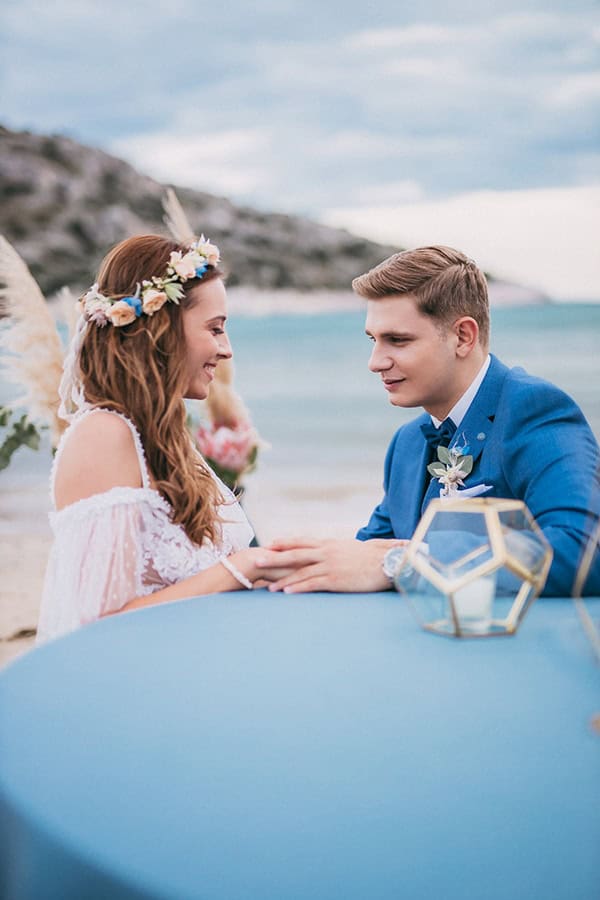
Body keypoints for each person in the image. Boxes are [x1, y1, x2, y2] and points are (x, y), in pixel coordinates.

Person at [258, 245, 600, 597]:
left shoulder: (534, 410)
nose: (375, 362)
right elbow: (368, 555)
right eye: (373, 340)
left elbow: (583, 551)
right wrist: (288, 565)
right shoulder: (407, 444)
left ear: (463, 336)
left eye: (397, 340)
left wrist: (401, 562)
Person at [37, 234, 287, 642]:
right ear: (162, 328)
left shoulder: (162, 435)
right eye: (216, 329)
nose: (226, 350)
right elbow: (99, 626)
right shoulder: (105, 435)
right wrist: (243, 568)